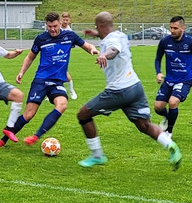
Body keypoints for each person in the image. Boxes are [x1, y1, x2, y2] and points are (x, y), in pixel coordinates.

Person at [76, 12, 181, 169]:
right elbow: (109, 38)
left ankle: (97, 155)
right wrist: (96, 34)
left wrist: (104, 55)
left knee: (83, 115)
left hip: (119, 90)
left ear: (101, 25)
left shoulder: (112, 40)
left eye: (97, 26)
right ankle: (171, 146)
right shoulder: (119, 34)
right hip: (135, 87)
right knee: (144, 125)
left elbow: (113, 49)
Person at [0, 12, 99, 148]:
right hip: (41, 81)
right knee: (28, 114)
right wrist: (21, 72)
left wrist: (93, 50)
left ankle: (36, 136)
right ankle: (2, 141)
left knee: (62, 104)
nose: (52, 29)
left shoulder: (69, 36)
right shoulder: (41, 39)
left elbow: (87, 45)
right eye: (49, 26)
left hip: (57, 82)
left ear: (60, 23)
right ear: (46, 25)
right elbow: (30, 57)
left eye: (55, 26)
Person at [153, 16, 192, 136]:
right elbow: (158, 59)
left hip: (184, 80)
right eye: (170, 27)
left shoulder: (191, 42)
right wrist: (158, 72)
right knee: (158, 107)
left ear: (182, 28)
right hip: (169, 79)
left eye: (175, 28)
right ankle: (166, 117)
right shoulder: (165, 42)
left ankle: (169, 132)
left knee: (173, 102)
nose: (172, 30)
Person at [60, 12, 79, 100]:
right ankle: (50, 94)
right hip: (53, 53)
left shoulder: (70, 31)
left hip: (63, 54)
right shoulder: (57, 28)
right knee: (52, 73)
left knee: (64, 72)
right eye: (63, 19)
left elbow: (72, 43)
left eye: (67, 20)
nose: (65, 21)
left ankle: (71, 91)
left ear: (69, 21)